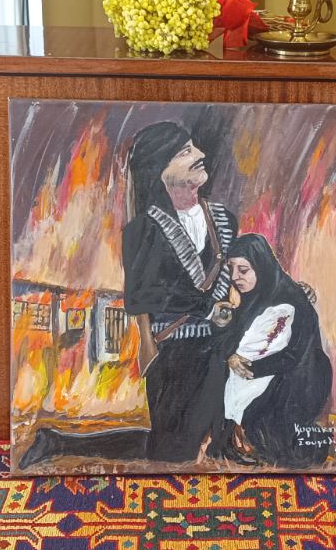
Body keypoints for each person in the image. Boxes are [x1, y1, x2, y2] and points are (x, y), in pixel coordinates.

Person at [19, 121, 236, 469]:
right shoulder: (143, 229)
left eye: (194, 147)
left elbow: (239, 272)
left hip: (220, 346)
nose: (200, 155)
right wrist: (203, 310)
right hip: (174, 351)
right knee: (172, 452)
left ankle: (57, 440)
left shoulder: (224, 220)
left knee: (214, 443)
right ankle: (58, 441)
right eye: (185, 152)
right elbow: (142, 297)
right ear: (161, 170)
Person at [208, 234, 333, 469]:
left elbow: (294, 357)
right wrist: (229, 352)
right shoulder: (252, 297)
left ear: (261, 266)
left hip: (293, 386)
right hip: (261, 381)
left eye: (243, 270)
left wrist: (248, 368)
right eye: (231, 269)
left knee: (286, 451)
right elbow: (233, 341)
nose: (234, 277)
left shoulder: (292, 300)